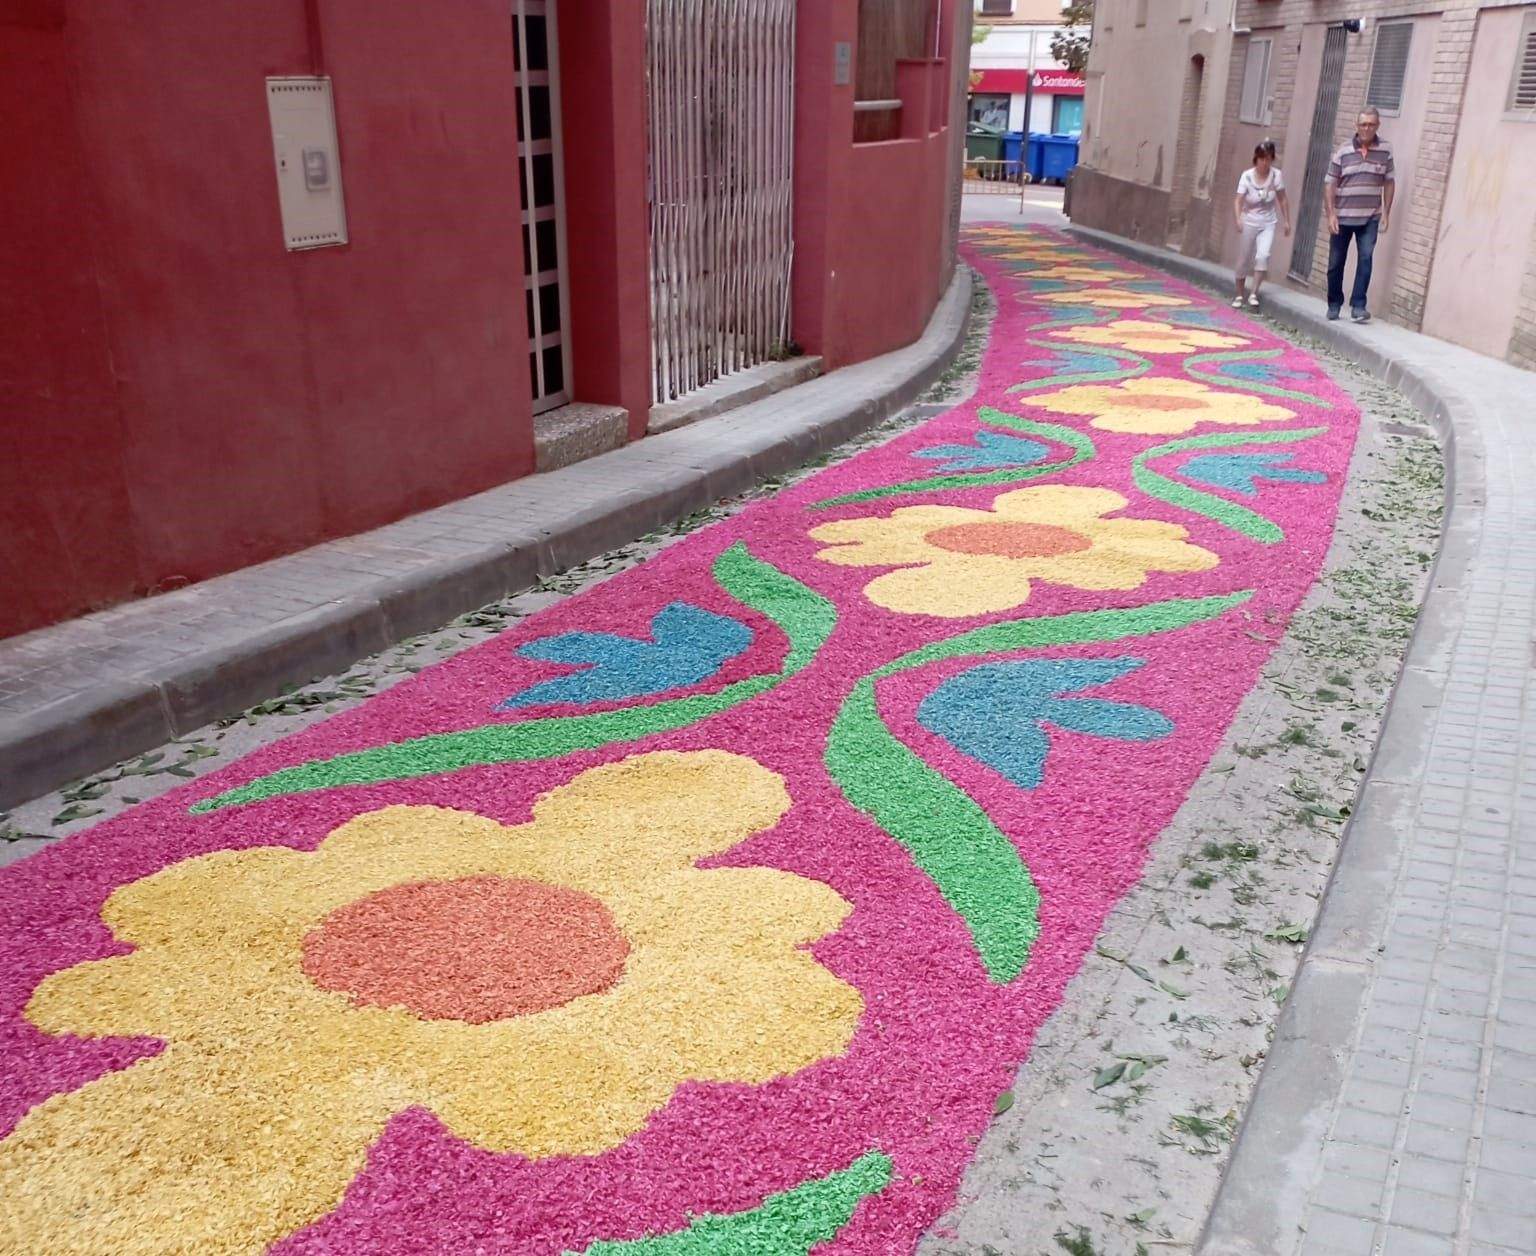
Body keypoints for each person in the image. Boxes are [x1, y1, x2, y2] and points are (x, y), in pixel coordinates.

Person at [1323, 106, 1395, 323]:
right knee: (1336, 262)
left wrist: (1386, 212)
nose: (1367, 128)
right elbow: (1330, 183)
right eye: (1363, 124)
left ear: (1378, 125)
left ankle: (1358, 306)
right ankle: (1334, 304)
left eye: (1371, 124)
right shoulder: (1343, 151)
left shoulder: (1385, 150)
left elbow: (1389, 182)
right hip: (1342, 217)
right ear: (1356, 125)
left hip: (1370, 217)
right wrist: (1331, 214)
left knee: (1365, 259)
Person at [1232, 140, 1291, 310]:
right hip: (1249, 220)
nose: (1265, 163)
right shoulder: (1247, 176)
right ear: (1256, 159)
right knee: (1244, 258)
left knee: (1263, 256)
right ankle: (1239, 294)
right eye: (1262, 159)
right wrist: (1238, 219)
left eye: (1268, 159)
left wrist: (1287, 221)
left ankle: (1254, 293)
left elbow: (1282, 199)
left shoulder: (1276, 176)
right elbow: (1238, 200)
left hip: (1268, 222)